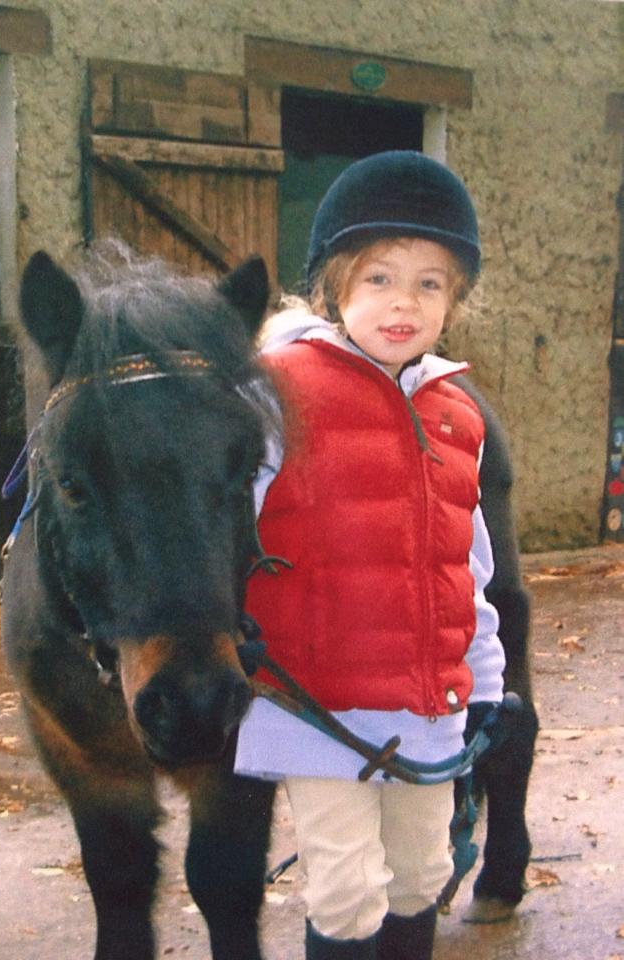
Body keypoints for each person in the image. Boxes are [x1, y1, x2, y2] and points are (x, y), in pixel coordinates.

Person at [235, 151, 506, 960]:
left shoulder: (457, 415)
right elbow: (224, 524)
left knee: (422, 875)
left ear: (453, 301)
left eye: (429, 283)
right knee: (347, 889)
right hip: (315, 699)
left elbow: (466, 568)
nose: (403, 302)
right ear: (333, 290)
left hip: (427, 704)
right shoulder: (272, 393)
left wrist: (487, 684)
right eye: (378, 278)